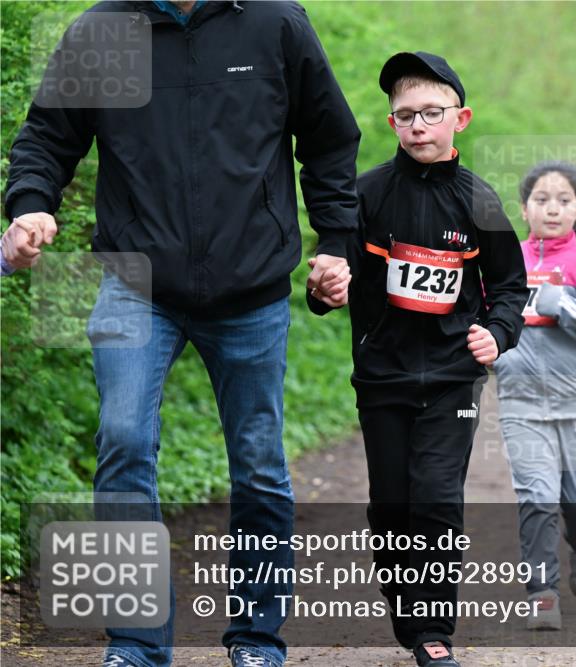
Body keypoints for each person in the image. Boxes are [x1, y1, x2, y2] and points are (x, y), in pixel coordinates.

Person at [3, 2, 361, 666]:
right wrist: (30, 204)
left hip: (251, 288)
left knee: (259, 464)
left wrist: (337, 242)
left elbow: (328, 138)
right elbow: (48, 137)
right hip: (134, 281)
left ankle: (257, 637)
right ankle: (137, 646)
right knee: (123, 443)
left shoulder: (275, 22)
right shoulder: (102, 31)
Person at [311, 51, 527, 667]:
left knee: (435, 497)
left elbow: (510, 287)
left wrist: (498, 333)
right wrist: (324, 289)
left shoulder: (480, 201)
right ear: (391, 125)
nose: (418, 126)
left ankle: (434, 630)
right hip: (382, 376)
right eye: (404, 116)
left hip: (454, 376)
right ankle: (407, 610)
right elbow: (333, 277)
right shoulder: (366, 194)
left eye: (431, 113)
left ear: (460, 118)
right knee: (392, 502)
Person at [493, 161, 576, 630]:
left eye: (564, 200)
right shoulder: (506, 260)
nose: (552, 208)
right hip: (522, 402)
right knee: (537, 498)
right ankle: (542, 593)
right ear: (524, 208)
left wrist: (566, 306)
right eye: (542, 199)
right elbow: (480, 318)